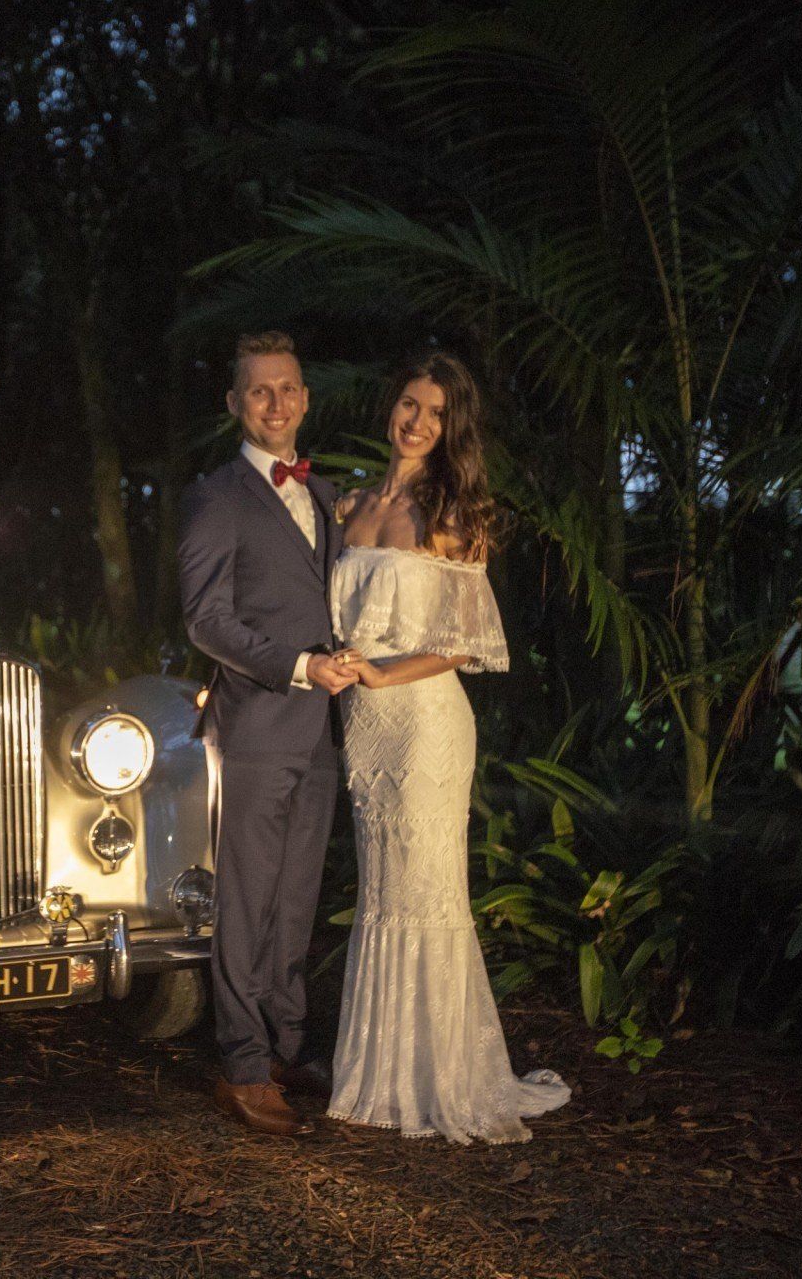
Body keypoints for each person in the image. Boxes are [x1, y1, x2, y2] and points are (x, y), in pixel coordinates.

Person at [327, 351, 570, 1144]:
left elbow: (465, 645)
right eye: (408, 403)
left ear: (450, 428)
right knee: (383, 893)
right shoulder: (350, 506)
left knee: (428, 893)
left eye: (435, 414)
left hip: (424, 718)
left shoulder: (455, 514)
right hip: (362, 724)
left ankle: (442, 1079)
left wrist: (383, 675)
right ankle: (378, 1076)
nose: (417, 422)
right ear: (390, 406)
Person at [178, 331, 356, 1138]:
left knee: (295, 898)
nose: (276, 404)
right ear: (235, 405)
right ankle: (244, 1067)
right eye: (259, 391)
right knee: (248, 900)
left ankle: (286, 1046)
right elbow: (206, 619)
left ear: (306, 398)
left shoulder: (327, 499)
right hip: (255, 723)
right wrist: (295, 667)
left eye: (288, 389)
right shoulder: (216, 496)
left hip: (322, 729)